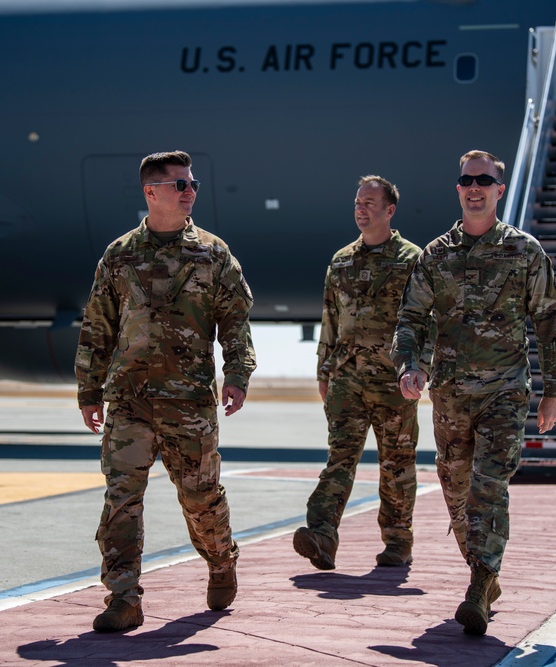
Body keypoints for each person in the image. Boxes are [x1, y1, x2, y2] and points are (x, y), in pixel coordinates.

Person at [75, 150, 257, 632]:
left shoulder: (213, 253)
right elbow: (97, 327)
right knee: (121, 500)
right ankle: (124, 598)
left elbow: (235, 322)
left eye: (193, 183)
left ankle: (221, 561)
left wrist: (237, 375)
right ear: (151, 192)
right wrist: (88, 390)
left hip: (189, 402)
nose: (190, 191)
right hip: (129, 400)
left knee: (200, 498)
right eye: (179, 184)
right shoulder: (119, 255)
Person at [391, 150, 556, 635]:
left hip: (505, 391)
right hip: (449, 396)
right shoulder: (436, 255)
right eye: (466, 179)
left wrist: (554, 391)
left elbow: (548, 322)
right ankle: (485, 574)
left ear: (499, 190)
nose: (474, 187)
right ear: (458, 187)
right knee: (457, 491)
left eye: (484, 180)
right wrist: (411, 366)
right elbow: (411, 320)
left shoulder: (525, 251)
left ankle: (478, 585)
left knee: (489, 487)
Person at [293, 176, 429, 571]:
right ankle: (321, 535)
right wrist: (323, 370)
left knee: (397, 463)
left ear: (390, 210)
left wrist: (419, 367)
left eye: (370, 202)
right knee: (340, 457)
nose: (361, 208)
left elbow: (426, 320)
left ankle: (398, 542)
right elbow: (330, 319)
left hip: (393, 382)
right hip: (347, 380)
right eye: (357, 201)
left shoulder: (411, 260)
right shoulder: (341, 260)